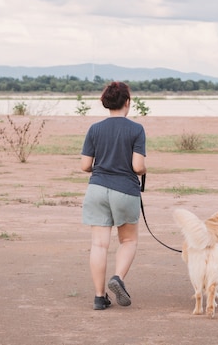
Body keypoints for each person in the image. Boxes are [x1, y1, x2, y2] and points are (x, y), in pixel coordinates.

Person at [80, 81, 147, 310]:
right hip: (124, 190)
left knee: (99, 244)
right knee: (128, 240)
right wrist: (144, 170)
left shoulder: (94, 129)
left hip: (97, 188)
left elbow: (85, 165)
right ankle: (118, 278)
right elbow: (137, 167)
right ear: (128, 102)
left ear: (106, 102)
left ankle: (99, 297)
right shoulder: (136, 129)